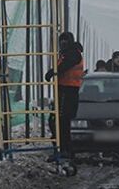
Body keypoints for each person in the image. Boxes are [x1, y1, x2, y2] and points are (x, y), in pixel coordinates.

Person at [45, 32, 84, 161]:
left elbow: (67, 64)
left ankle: (64, 150)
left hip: (68, 90)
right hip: (64, 89)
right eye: (61, 40)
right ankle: (64, 149)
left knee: (60, 121)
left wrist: (52, 72)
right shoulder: (68, 53)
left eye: (65, 40)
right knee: (58, 121)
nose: (63, 43)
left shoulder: (73, 53)